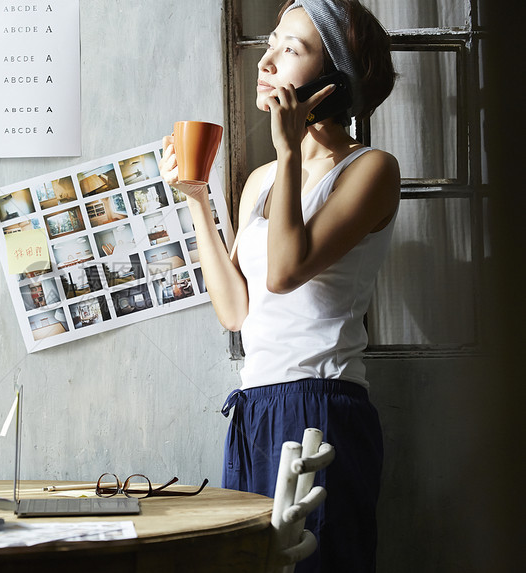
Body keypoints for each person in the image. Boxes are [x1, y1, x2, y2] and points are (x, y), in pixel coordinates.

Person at [159, 1, 398, 571]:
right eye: (272, 42)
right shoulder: (263, 182)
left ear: (333, 78)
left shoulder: (371, 169)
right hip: (256, 405)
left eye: (291, 49)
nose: (265, 60)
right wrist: (197, 197)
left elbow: (286, 272)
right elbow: (237, 310)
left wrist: (290, 148)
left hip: (323, 403)